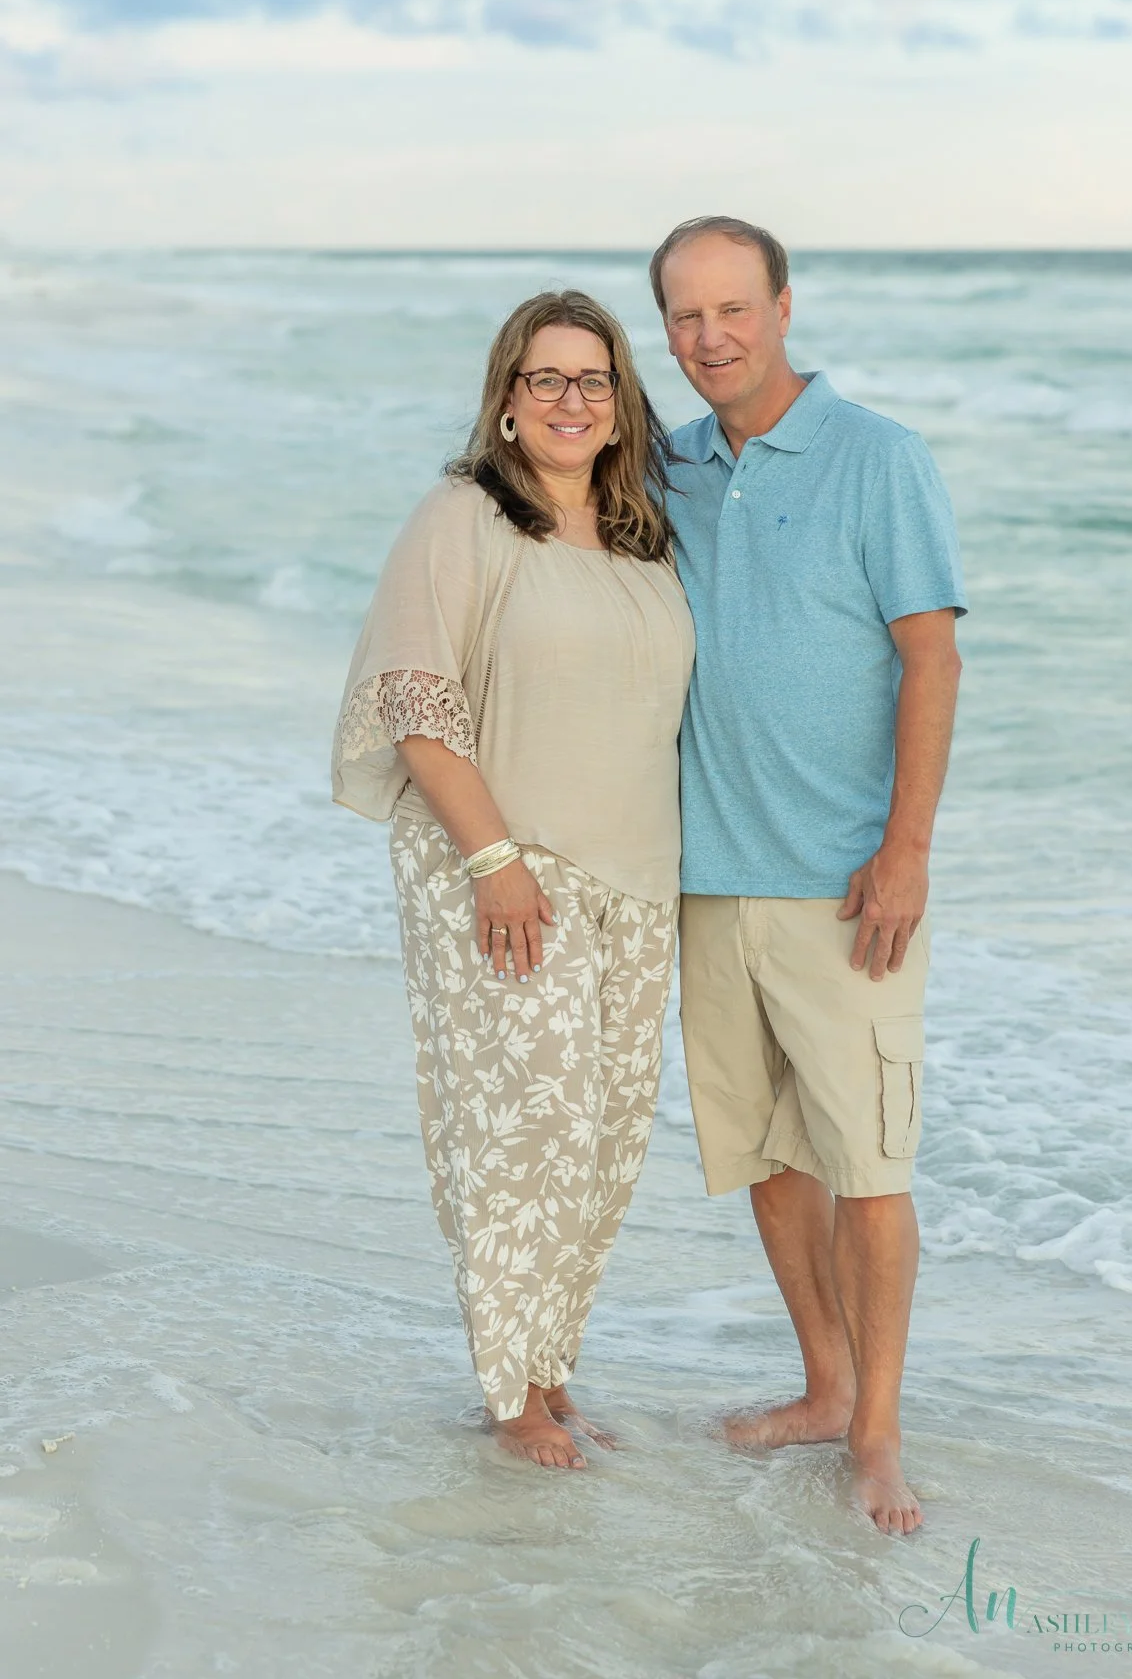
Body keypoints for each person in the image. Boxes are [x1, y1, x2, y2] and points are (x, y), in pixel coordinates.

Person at [332, 290, 694, 1469]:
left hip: (635, 878)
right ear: (504, 398)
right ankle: (507, 1396)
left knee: (601, 1139)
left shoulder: (643, 537)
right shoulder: (461, 519)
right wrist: (492, 861)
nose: (570, 401)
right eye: (545, 379)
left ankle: (550, 1366)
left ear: (619, 400)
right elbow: (415, 700)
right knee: (523, 1125)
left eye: (592, 380)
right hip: (501, 867)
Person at [652, 216, 965, 1535]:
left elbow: (931, 658)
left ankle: (879, 1431)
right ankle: (824, 1387)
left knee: (867, 1166)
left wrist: (903, 851)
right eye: (684, 317)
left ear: (783, 305)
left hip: (844, 885)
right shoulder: (658, 470)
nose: (711, 338)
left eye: (734, 308)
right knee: (770, 1160)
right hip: (707, 877)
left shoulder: (877, 459)